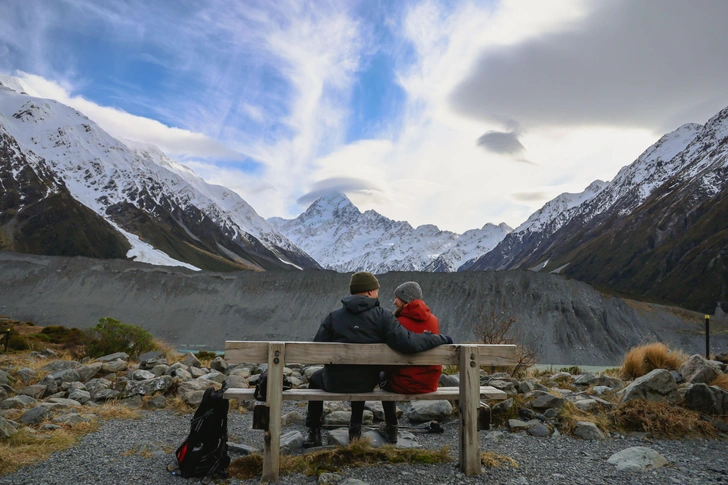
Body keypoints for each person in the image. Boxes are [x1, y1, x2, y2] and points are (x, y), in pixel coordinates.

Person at [303, 271, 452, 448]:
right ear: (368, 292)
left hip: (333, 382)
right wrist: (441, 338)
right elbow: (408, 343)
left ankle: (314, 433)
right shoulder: (383, 316)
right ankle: (355, 429)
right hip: (366, 383)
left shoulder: (333, 316)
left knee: (315, 379)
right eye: (376, 290)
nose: (378, 293)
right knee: (362, 374)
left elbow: (316, 349)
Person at [378, 281, 443, 443]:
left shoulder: (397, 323)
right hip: (430, 383)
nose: (394, 302)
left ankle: (391, 427)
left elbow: (389, 362)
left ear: (406, 300)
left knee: (382, 379)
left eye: (397, 298)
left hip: (405, 384)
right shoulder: (433, 320)